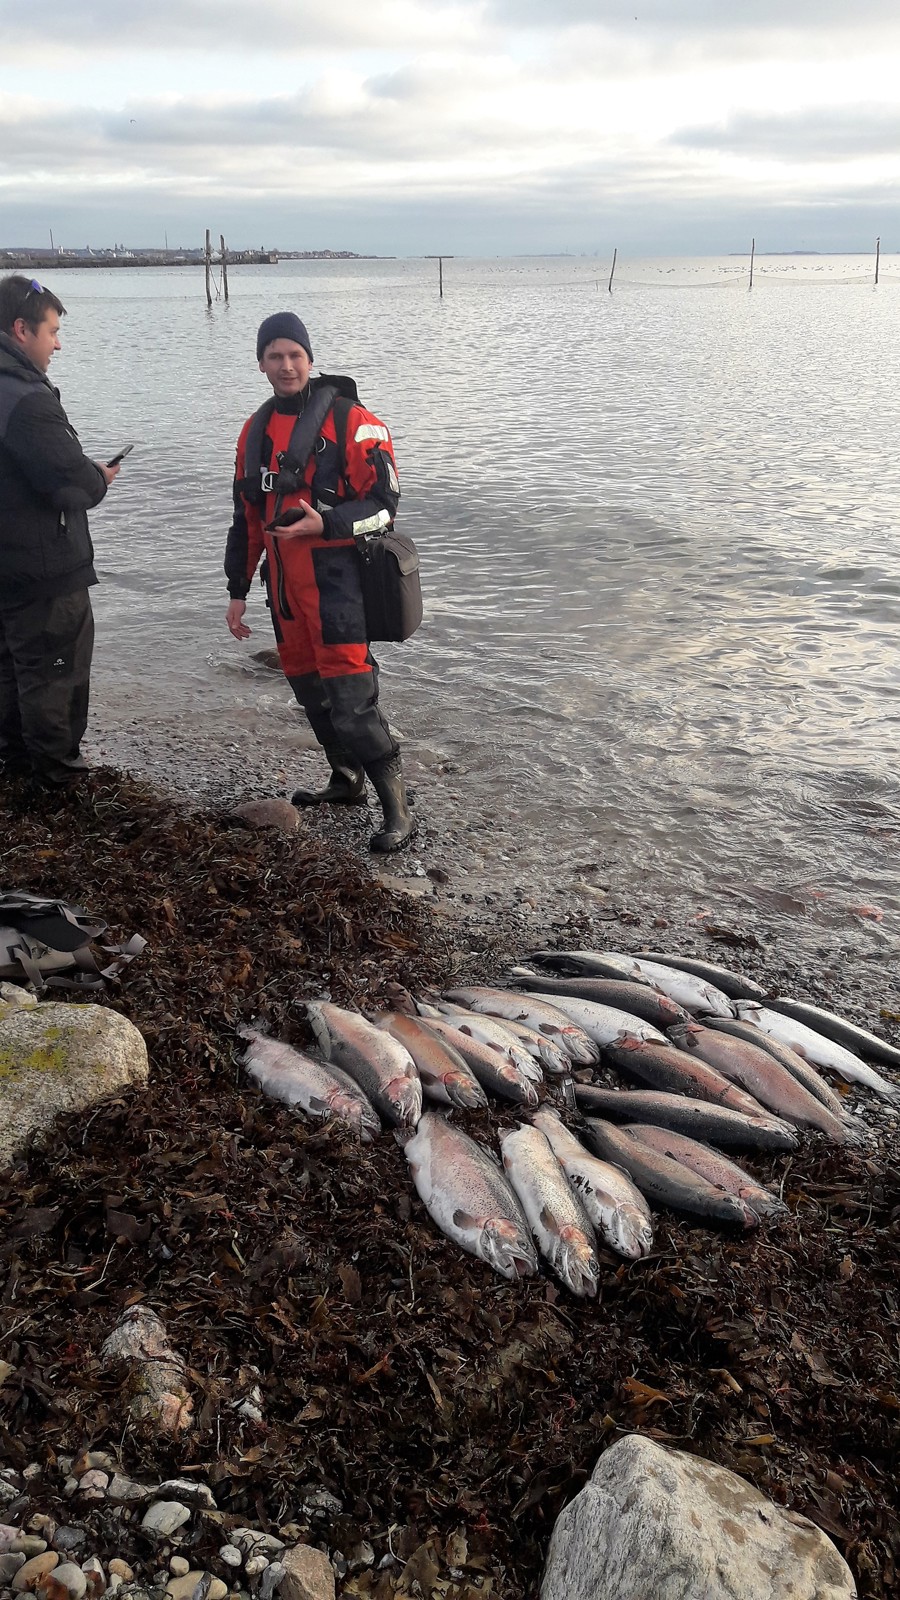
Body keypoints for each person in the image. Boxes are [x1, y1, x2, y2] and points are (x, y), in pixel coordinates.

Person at [224, 311, 415, 851]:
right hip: (283, 592)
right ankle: (345, 778)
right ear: (261, 363)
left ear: (309, 358)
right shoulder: (254, 430)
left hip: (337, 588)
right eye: (274, 356)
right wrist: (238, 590)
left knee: (352, 700)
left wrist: (325, 522)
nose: (286, 366)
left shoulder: (353, 421)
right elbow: (247, 517)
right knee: (310, 692)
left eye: (295, 355)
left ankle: (398, 807)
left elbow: (385, 507)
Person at [0, 274, 120, 785]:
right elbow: (73, 484)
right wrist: (98, 475)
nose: (58, 343)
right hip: (41, 566)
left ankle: (15, 762)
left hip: (10, 563)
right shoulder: (24, 397)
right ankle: (56, 776)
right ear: (21, 329)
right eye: (52, 332)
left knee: (11, 668)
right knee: (56, 669)